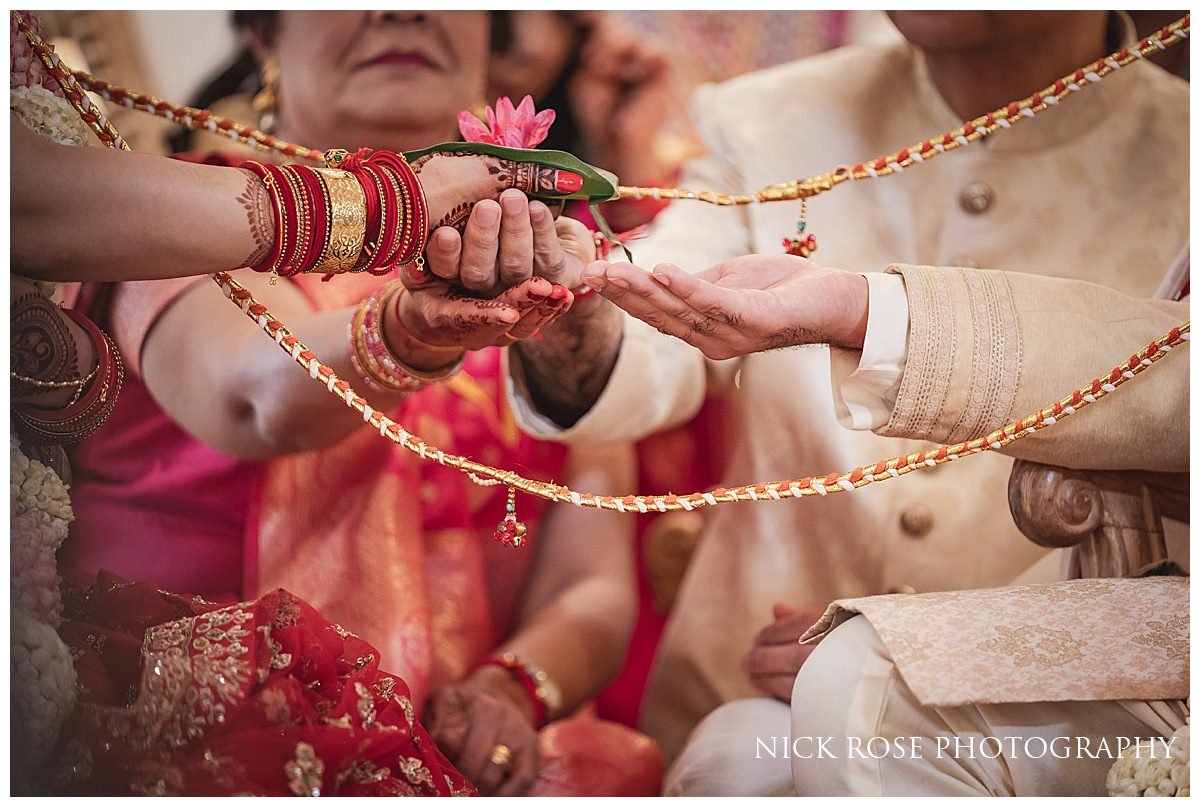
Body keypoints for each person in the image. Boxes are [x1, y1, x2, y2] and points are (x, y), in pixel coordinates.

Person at [482, 9, 1190, 760]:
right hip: (742, 715)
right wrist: (566, 308)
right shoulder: (766, 116)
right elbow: (654, 341)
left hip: (1056, 746)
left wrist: (906, 650)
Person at [49, 10, 653, 795]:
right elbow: (252, 393)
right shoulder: (181, 211)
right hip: (195, 739)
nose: (399, 9)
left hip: (471, 762)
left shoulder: (557, 256)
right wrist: (407, 331)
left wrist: (512, 686)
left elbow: (593, 579)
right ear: (265, 33)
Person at [590, 253, 1188, 796]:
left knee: (860, 684)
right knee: (731, 753)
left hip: (1105, 625)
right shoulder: (746, 135)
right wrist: (575, 309)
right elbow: (644, 323)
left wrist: (860, 311)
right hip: (754, 665)